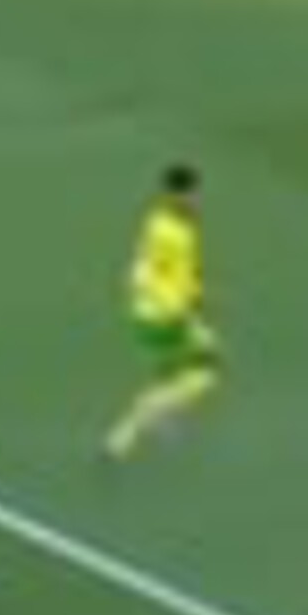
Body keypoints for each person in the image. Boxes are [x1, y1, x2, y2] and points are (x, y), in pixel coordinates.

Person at [103, 163, 221, 462]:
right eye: (191, 194)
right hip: (166, 315)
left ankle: (145, 424)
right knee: (205, 372)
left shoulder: (169, 221)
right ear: (174, 194)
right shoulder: (169, 231)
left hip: (161, 312)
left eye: (197, 193)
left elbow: (178, 269)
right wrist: (184, 306)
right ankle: (135, 426)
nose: (196, 199)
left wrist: (196, 293)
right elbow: (148, 272)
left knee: (173, 371)